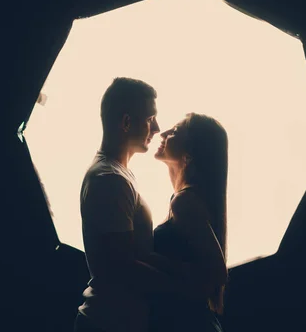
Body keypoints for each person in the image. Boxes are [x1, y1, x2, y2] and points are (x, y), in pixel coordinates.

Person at [74, 78, 211, 332]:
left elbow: (136, 255)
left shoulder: (117, 174)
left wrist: (181, 271)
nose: (157, 128)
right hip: (107, 322)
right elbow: (122, 267)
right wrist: (185, 290)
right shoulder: (110, 179)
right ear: (126, 123)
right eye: (150, 119)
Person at [149, 112, 229, 332]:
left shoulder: (184, 202)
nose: (163, 133)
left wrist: (151, 260)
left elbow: (217, 272)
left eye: (174, 131)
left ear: (190, 155)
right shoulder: (190, 199)